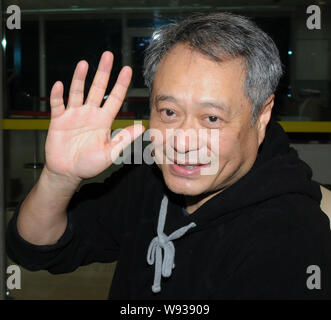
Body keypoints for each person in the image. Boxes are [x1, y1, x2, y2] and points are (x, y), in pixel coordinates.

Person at [6, 12, 331, 299]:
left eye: (211, 118)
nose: (183, 142)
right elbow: (38, 250)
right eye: (169, 111)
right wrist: (59, 178)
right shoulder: (148, 182)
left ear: (261, 117)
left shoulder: (290, 237)